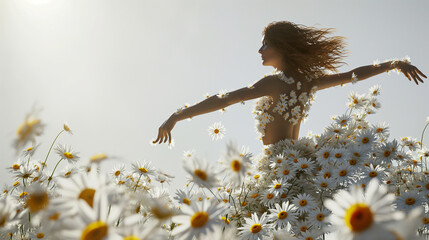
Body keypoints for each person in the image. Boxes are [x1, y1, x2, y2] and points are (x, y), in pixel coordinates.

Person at [153, 21, 426, 146]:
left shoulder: (273, 84)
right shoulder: (308, 83)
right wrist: (393, 64)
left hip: (278, 171)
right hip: (296, 164)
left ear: (280, 47)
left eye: (265, 44)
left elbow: (224, 99)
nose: (260, 51)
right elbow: (353, 75)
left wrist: (177, 115)